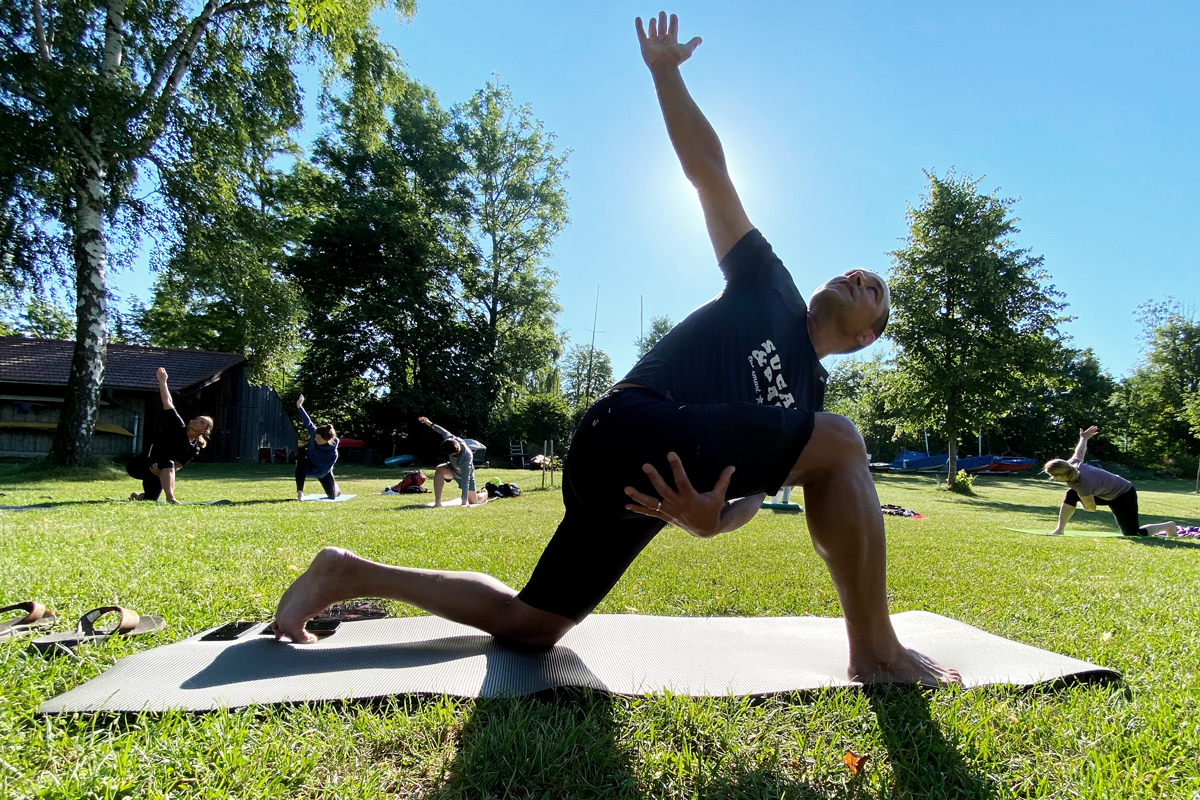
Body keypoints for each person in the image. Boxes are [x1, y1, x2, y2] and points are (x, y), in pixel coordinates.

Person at [272, 13, 957, 686]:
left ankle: (347, 571)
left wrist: (714, 523)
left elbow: (751, 495)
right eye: (857, 272)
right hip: (625, 429)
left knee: (530, 625)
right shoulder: (769, 288)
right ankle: (877, 652)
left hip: (639, 495)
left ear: (865, 338)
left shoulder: (811, 409)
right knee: (841, 442)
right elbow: (711, 175)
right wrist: (665, 74)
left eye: (874, 291)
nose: (859, 277)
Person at [1045, 426, 1177, 537]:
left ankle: (1168, 526)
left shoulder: (1082, 484)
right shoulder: (1072, 464)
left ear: (1061, 474)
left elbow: (1091, 508)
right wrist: (1084, 438)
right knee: (1071, 494)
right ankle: (1060, 529)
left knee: (1133, 534)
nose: (1052, 478)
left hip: (1123, 495)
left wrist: (1080, 501)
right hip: (1104, 493)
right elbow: (1079, 452)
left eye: (1053, 475)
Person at [126, 367, 213, 505]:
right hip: (138, 465)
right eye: (197, 419)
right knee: (168, 463)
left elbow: (177, 466)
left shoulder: (194, 448)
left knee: (150, 499)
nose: (197, 421)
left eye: (202, 422)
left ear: (205, 430)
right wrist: (163, 381)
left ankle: (136, 496)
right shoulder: (177, 426)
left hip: (158, 470)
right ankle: (171, 498)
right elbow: (168, 402)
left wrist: (160, 473)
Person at [418, 416, 488, 507]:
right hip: (453, 469)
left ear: (455, 453)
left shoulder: (467, 457)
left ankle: (484, 493)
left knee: (474, 502)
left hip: (466, 476)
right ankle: (438, 502)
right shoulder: (451, 439)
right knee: (439, 469)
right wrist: (428, 422)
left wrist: (464, 503)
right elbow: (442, 431)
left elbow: (465, 480)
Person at [294, 395, 340, 501]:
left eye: (318, 438)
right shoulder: (314, 433)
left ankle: (336, 489)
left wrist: (310, 473)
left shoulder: (332, 454)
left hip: (323, 471)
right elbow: (308, 422)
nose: (315, 439)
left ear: (326, 440)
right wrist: (299, 406)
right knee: (301, 462)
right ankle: (300, 493)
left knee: (332, 496)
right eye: (315, 436)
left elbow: (322, 472)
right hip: (310, 463)